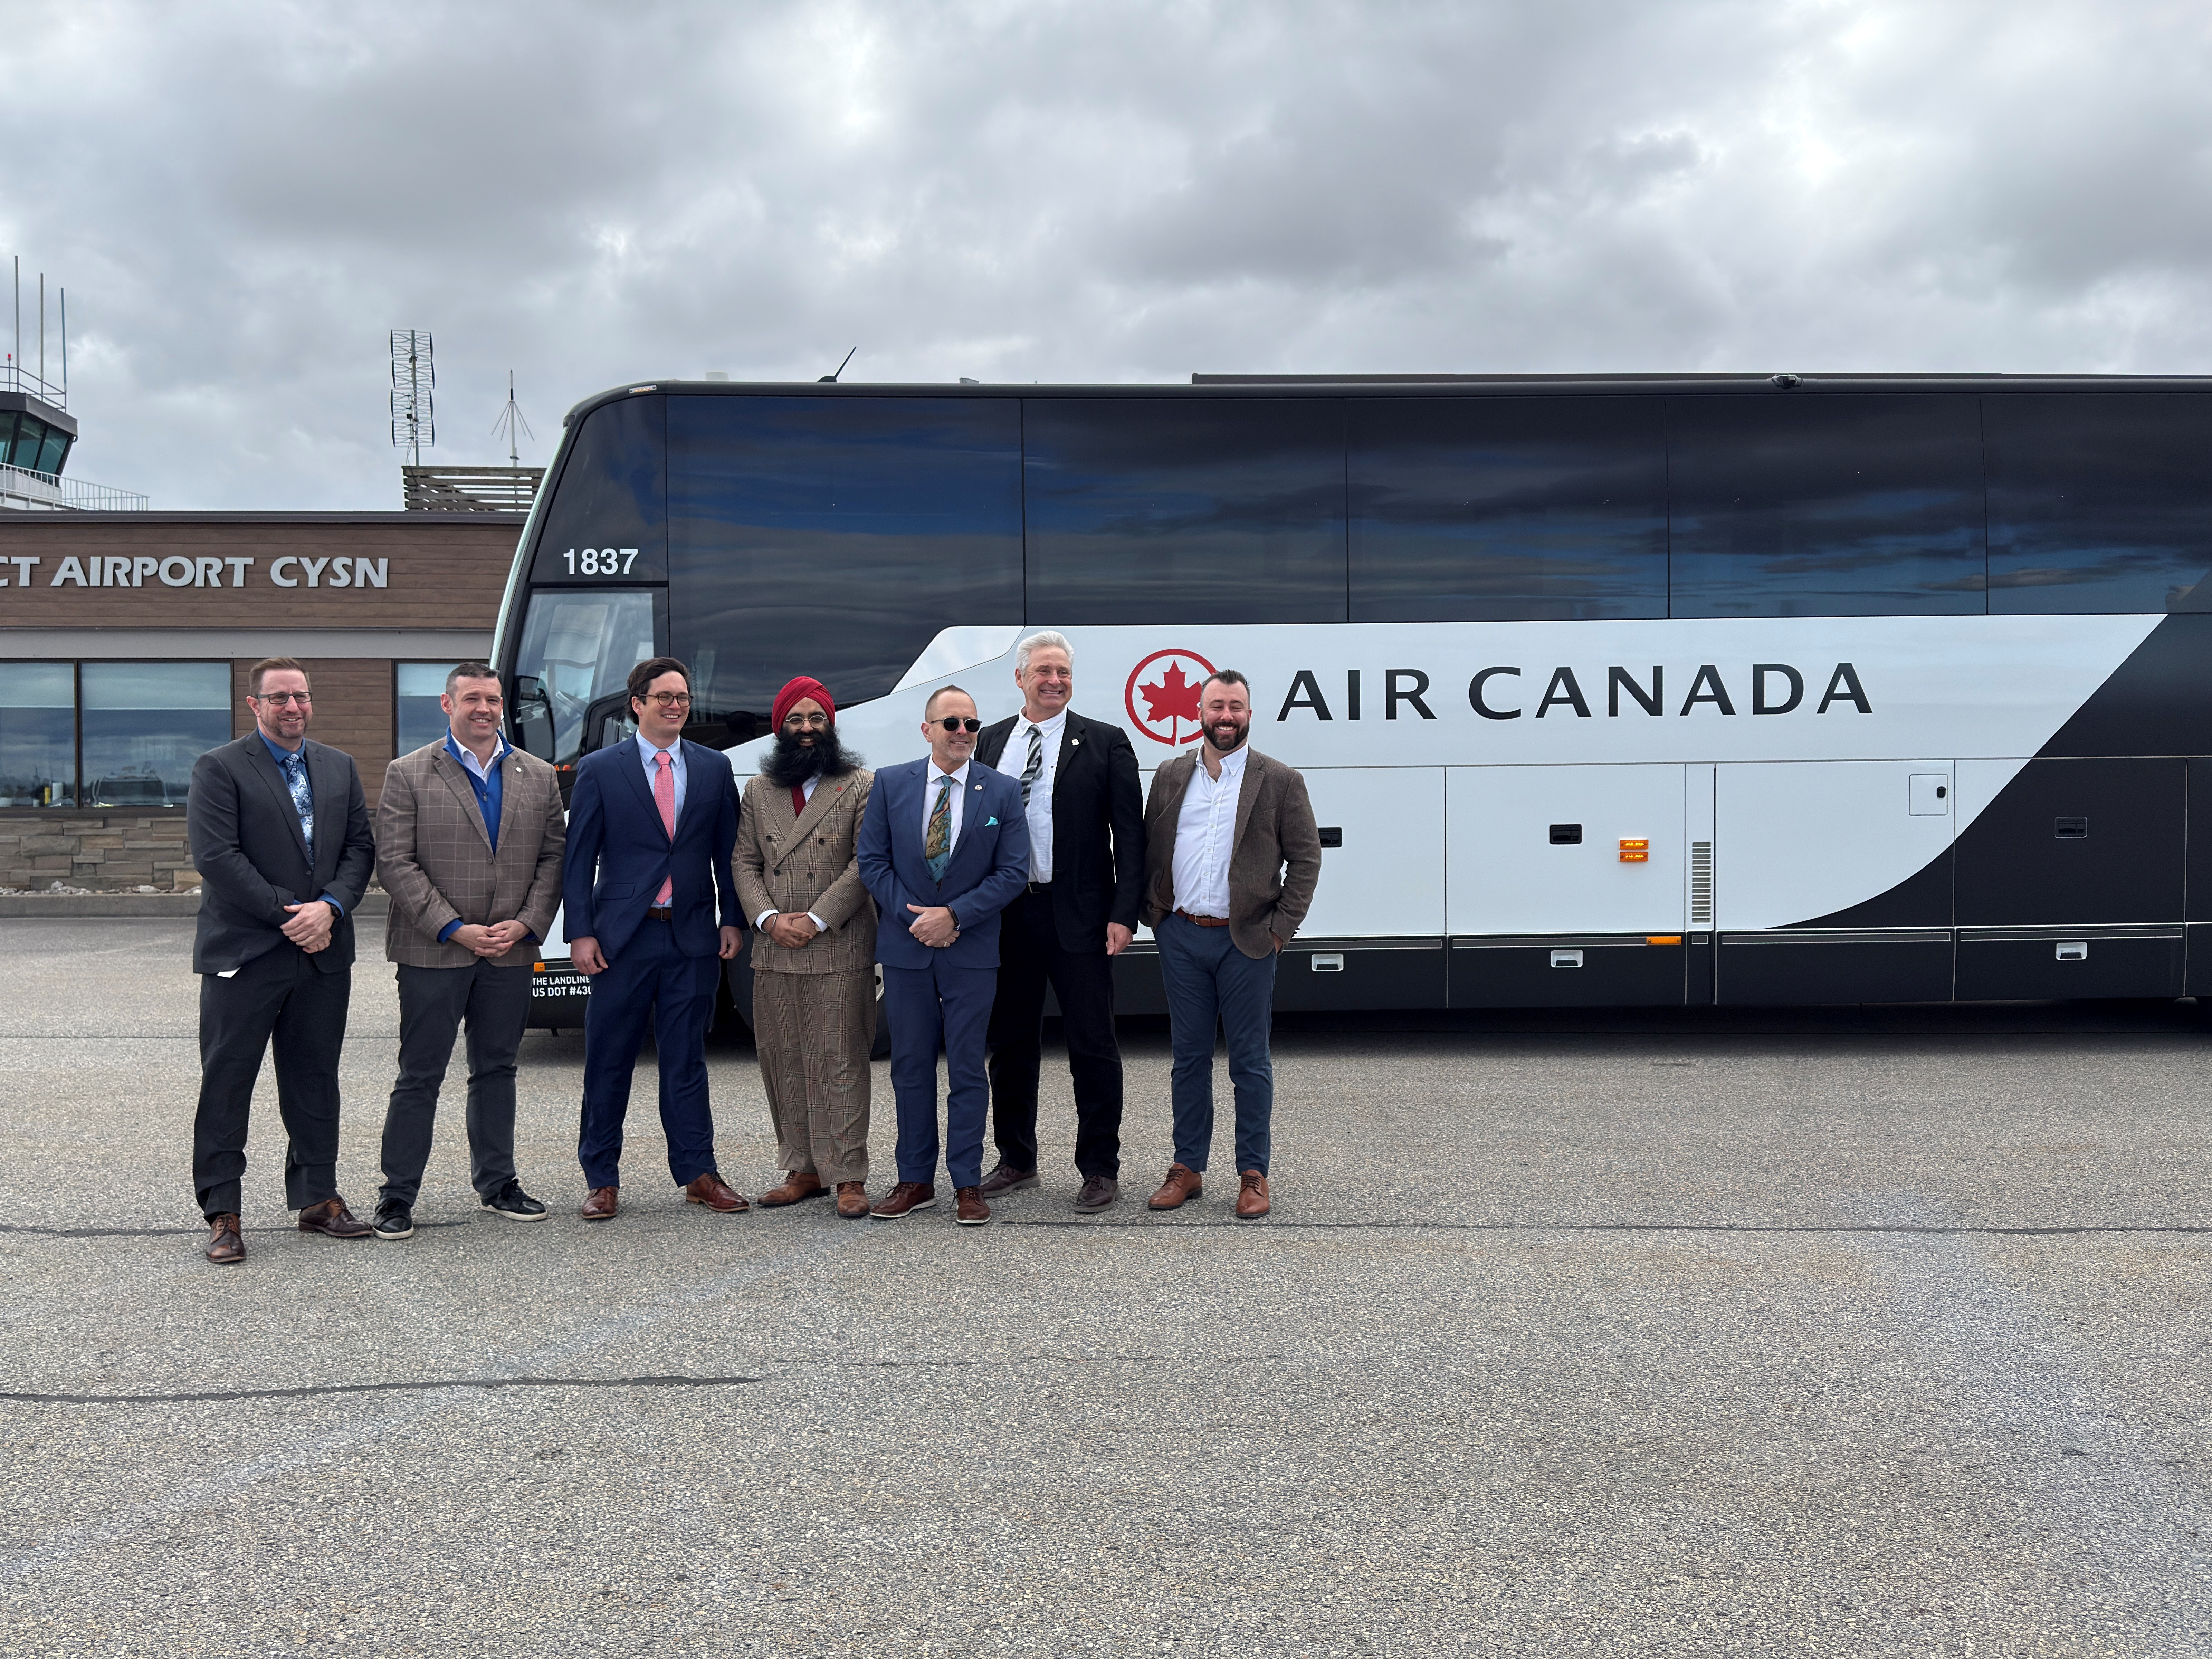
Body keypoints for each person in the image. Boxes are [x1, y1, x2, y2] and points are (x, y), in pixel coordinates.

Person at [187, 656, 378, 1264]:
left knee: (315, 1079)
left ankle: (318, 1198)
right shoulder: (219, 768)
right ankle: (224, 1212)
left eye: (301, 696)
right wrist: (291, 915)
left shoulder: (338, 767)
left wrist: (331, 909)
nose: (293, 707)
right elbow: (217, 857)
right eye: (279, 698)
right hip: (247, 953)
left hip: (323, 952)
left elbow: (359, 848)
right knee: (228, 1082)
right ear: (255, 705)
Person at [370, 662, 567, 1241]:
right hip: (434, 950)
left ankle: (498, 1183)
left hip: (509, 951)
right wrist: (454, 927)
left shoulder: (537, 775)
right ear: (447, 704)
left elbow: (554, 857)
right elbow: (395, 863)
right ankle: (398, 1195)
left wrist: (527, 923)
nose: (484, 709)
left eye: (493, 699)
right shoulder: (408, 773)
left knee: (497, 1069)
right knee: (419, 1075)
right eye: (472, 699)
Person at [563, 657, 746, 1221]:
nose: (675, 705)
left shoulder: (715, 769)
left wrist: (732, 919)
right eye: (664, 696)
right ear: (636, 704)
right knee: (609, 1060)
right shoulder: (599, 768)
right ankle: (602, 1178)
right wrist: (580, 933)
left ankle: (697, 1173)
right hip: (623, 939)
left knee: (686, 1061)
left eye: (683, 697)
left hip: (691, 937)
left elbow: (729, 853)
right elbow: (579, 859)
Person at [1138, 670, 1323, 1220]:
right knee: (1188, 1058)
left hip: (1247, 942)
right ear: (1199, 712)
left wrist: (1278, 932)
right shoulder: (1172, 775)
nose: (1226, 716)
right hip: (1182, 937)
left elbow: (1307, 860)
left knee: (1249, 1061)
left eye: (1236, 707)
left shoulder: (1280, 780)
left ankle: (1253, 1173)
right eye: (1216, 706)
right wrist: (1157, 916)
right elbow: (1152, 847)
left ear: (1249, 714)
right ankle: (1187, 1168)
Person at [974, 630, 1145, 1211]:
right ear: (1019, 678)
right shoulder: (990, 740)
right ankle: (1016, 1159)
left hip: (1081, 918)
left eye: (1063, 672)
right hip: (1007, 915)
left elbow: (1131, 836)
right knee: (1012, 1044)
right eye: (1043, 671)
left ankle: (1099, 1166)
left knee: (1093, 1045)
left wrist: (1125, 914)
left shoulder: (1105, 742)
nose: (1054, 680)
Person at [856, 685, 1028, 1225]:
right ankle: (915, 1179)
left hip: (970, 951)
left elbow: (1013, 872)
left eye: (971, 725)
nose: (962, 733)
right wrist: (917, 920)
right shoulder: (890, 784)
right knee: (909, 1066)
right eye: (950, 723)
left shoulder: (1000, 790)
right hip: (908, 951)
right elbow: (872, 863)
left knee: (969, 1070)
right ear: (927, 729)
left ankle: (968, 1182)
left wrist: (954, 916)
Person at [733, 675, 878, 1220]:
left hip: (837, 943)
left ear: (831, 725)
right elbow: (744, 862)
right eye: (796, 720)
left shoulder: (861, 784)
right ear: (780, 729)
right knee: (783, 1060)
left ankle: (848, 1174)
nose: (807, 729)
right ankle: (803, 1168)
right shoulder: (758, 790)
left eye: (817, 718)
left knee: (839, 1061)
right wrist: (769, 919)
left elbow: (866, 863)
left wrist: (816, 919)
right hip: (775, 948)